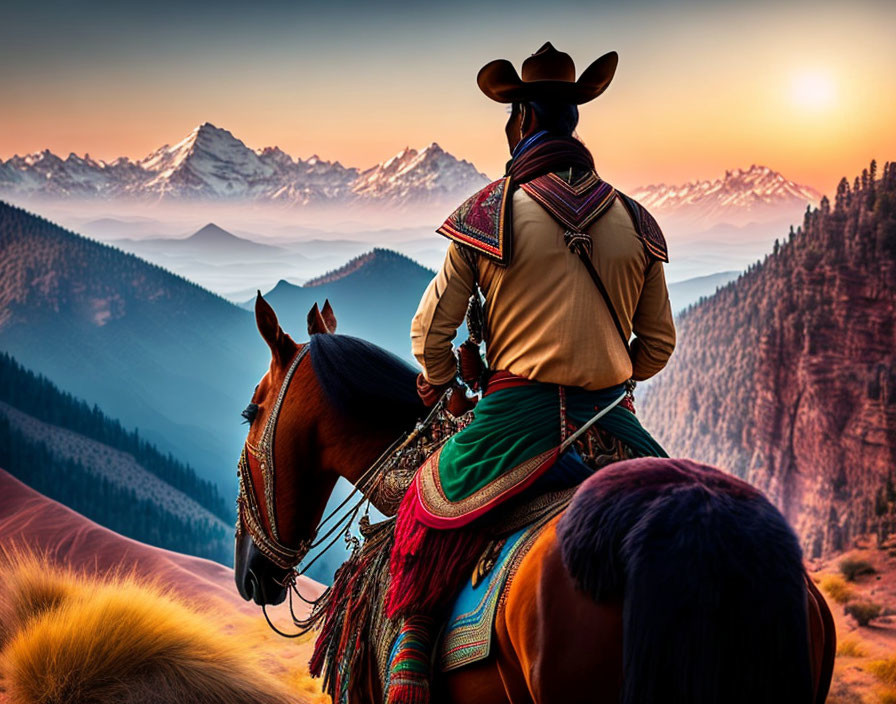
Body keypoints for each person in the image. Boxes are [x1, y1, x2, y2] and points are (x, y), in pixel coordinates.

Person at [383, 42, 676, 702]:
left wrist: (444, 380)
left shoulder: (486, 216)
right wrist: (605, 366)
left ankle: (412, 653)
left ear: (520, 121)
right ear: (572, 122)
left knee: (422, 509)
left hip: (517, 421)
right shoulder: (636, 221)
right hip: (613, 427)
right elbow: (657, 346)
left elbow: (430, 334)